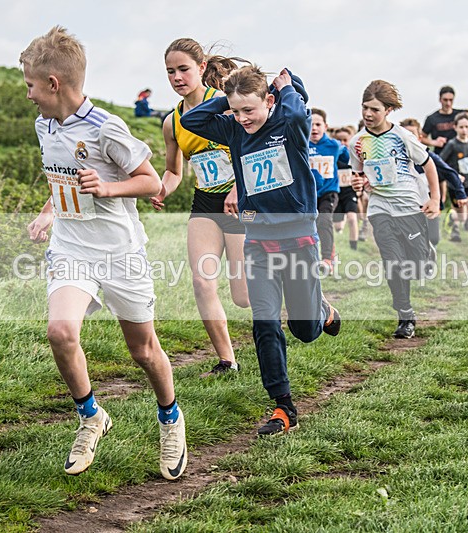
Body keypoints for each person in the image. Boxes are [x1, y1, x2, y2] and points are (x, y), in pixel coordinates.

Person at [21, 27, 186, 480]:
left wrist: (108, 188)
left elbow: (152, 182)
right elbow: (62, 180)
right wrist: (48, 212)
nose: (28, 94)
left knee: (143, 351)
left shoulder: (106, 127)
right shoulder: (44, 125)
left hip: (120, 253)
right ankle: (91, 416)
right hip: (71, 248)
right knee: (60, 332)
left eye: (31, 85)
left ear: (53, 83)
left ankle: (170, 418)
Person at [181, 66, 341, 436]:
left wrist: (285, 86)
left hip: (299, 238)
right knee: (264, 322)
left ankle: (321, 311)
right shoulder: (235, 130)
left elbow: (298, 109)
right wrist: (229, 98)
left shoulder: (288, 124)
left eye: (249, 110)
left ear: (269, 101)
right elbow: (192, 120)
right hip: (257, 241)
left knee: (305, 330)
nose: (242, 118)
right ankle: (283, 407)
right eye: (236, 111)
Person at [149, 38, 249, 377]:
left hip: (239, 200)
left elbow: (251, 150)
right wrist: (162, 189)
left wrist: (237, 187)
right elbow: (174, 171)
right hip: (205, 203)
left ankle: (308, 296)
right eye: (170, 72)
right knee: (202, 282)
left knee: (244, 297)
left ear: (202, 67)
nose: (177, 77)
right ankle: (227, 361)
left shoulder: (226, 104)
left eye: (183, 69)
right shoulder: (172, 122)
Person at [350, 80, 441, 340]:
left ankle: (426, 252)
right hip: (380, 207)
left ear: (388, 110)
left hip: (408, 206)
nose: (368, 114)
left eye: (375, 109)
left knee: (417, 266)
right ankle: (405, 315)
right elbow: (359, 173)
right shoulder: (357, 142)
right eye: (365, 107)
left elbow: (429, 164)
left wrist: (434, 199)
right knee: (393, 263)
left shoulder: (402, 136)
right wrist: (359, 183)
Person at [400, 118, 467, 260]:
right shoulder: (397, 159)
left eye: (412, 135)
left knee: (433, 237)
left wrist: (460, 193)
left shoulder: (428, 156)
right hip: (408, 205)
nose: (408, 139)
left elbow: (449, 172)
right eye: (404, 135)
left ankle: (430, 255)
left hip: (430, 203)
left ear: (419, 138)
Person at [309, 108, 349, 266]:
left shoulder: (334, 145)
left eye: (318, 124)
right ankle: (311, 256)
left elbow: (346, 156)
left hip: (328, 192)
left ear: (325, 126)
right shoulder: (302, 145)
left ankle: (327, 259)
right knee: (308, 225)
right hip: (309, 194)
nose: (314, 128)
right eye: (310, 124)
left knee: (324, 220)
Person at [440, 112, 468, 255]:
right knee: (462, 217)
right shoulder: (452, 145)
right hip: (456, 186)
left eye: (467, 127)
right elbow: (441, 162)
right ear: (455, 128)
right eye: (461, 127)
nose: (464, 130)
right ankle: (451, 216)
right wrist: (455, 175)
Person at [332, 126, 361, 250]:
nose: (343, 143)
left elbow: (361, 173)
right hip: (337, 192)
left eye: (345, 140)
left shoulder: (354, 157)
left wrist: (359, 189)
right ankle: (340, 223)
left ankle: (354, 247)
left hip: (350, 192)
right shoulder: (334, 157)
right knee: (338, 227)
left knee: (352, 218)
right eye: (339, 140)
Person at [421, 85, 464, 154]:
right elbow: (421, 138)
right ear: (440, 99)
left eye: (451, 100)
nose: (448, 103)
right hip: (441, 155)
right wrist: (434, 142)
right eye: (445, 100)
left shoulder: (460, 115)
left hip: (460, 154)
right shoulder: (431, 118)